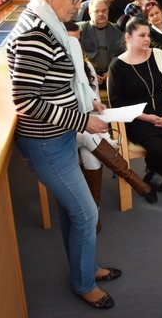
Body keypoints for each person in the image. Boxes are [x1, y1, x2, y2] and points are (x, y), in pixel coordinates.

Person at [8, 0, 119, 309]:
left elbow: (56, 85)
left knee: (73, 211)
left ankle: (84, 269)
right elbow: (26, 101)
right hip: (45, 141)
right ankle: (83, 283)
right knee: (86, 213)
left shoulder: (47, 23)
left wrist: (87, 104)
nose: (78, 5)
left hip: (58, 135)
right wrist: (82, 121)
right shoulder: (35, 34)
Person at [64, 21, 150, 233]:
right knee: (87, 135)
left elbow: (91, 103)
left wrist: (96, 107)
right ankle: (129, 176)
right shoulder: (55, 70)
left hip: (85, 129)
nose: (74, 46)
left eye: (77, 41)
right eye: (69, 41)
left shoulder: (87, 67)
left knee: (91, 154)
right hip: (62, 130)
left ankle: (94, 210)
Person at [108, 17, 162, 204]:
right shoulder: (118, 65)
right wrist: (146, 117)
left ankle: (152, 177)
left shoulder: (158, 55)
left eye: (148, 35)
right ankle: (154, 176)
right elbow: (117, 103)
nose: (147, 39)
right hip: (137, 117)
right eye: (142, 35)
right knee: (159, 150)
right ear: (128, 37)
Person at [77, 0, 124, 89]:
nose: (101, 14)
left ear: (108, 12)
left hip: (112, 73)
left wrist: (112, 71)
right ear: (90, 13)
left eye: (104, 11)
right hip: (86, 74)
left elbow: (123, 54)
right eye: (96, 11)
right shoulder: (80, 30)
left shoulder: (117, 31)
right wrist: (89, 72)